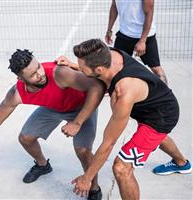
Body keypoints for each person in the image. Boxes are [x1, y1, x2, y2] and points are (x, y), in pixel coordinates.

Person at [0, 49, 106, 200]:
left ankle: (94, 187)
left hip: (82, 107)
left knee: (83, 150)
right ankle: (43, 165)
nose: (40, 74)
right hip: (54, 108)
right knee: (25, 138)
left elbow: (97, 87)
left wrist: (78, 122)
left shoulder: (59, 73)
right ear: (20, 79)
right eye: (32, 75)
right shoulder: (17, 93)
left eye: (38, 67)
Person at [57, 39, 191, 199]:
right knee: (156, 138)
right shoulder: (109, 54)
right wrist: (75, 65)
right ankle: (181, 163)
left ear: (98, 69)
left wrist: (87, 178)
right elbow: (95, 71)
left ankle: (179, 161)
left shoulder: (122, 94)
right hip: (158, 101)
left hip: (160, 117)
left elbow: (108, 143)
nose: (81, 71)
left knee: (121, 168)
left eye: (83, 68)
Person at [105, 0, 168, 84]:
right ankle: (115, 89)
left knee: (156, 68)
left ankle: (165, 93)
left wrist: (142, 41)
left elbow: (149, 13)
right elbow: (114, 6)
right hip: (124, 34)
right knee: (114, 65)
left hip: (145, 36)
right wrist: (109, 30)